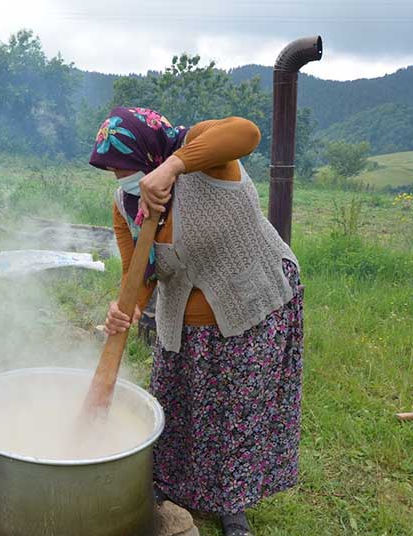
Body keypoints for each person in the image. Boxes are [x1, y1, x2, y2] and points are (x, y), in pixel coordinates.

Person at [90, 107, 303, 536]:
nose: (119, 178)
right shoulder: (126, 204)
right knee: (177, 405)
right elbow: (139, 274)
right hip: (183, 320)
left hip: (252, 302)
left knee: (237, 408)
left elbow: (248, 132)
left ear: (149, 153)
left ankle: (232, 506)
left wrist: (173, 166)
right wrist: (125, 307)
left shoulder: (201, 153)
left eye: (124, 167)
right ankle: (168, 487)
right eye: (110, 169)